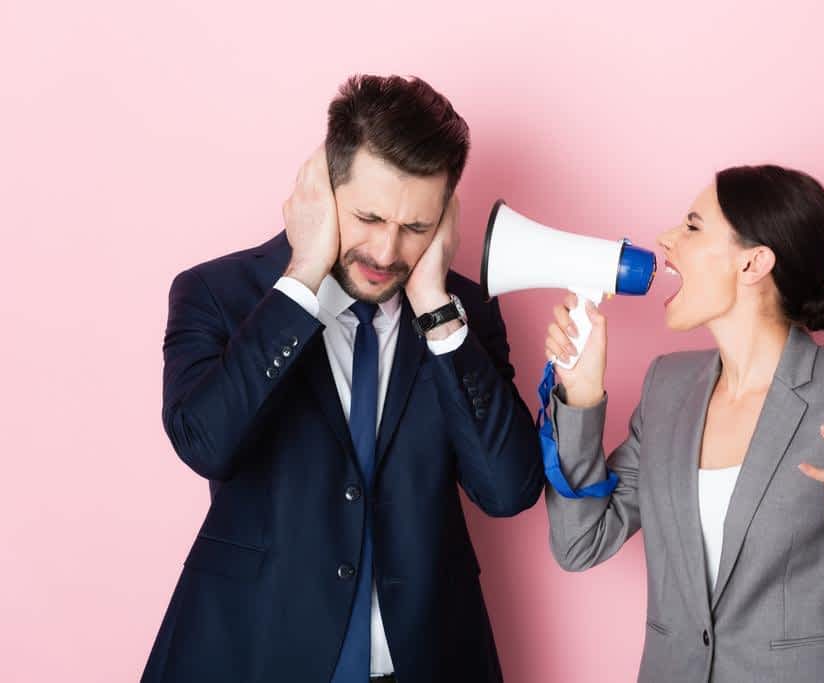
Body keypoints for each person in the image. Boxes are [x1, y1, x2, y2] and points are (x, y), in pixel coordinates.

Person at [143, 74, 544, 683]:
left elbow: (508, 490)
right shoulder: (218, 294)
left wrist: (436, 308)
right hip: (251, 658)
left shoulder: (463, 315)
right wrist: (302, 278)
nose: (386, 251)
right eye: (368, 216)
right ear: (322, 190)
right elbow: (205, 442)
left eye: (415, 227)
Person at [542, 165, 824, 682]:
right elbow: (580, 543)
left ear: (753, 262)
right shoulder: (666, 388)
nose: (666, 240)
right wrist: (582, 396)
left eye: (692, 226)